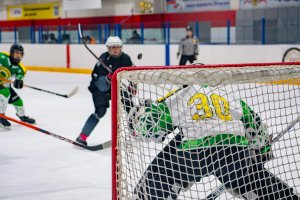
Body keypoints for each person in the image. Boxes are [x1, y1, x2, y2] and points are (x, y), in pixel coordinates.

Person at [129, 86, 299, 200]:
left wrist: (143, 115)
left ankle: (147, 195)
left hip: (196, 156)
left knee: (164, 168)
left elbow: (152, 128)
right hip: (235, 155)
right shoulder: (230, 96)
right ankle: (285, 196)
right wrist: (262, 151)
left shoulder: (183, 93)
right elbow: (255, 126)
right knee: (249, 175)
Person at [76, 36, 135, 145]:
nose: (115, 49)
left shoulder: (125, 58)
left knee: (129, 104)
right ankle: (82, 136)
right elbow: (97, 80)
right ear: (108, 48)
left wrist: (133, 85)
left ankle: (134, 130)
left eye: (117, 47)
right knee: (100, 111)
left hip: (115, 86)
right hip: (99, 89)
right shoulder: (103, 59)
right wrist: (107, 78)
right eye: (113, 47)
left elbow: (133, 73)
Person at [0, 44, 36, 128]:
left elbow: (19, 78)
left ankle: (22, 116)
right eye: (16, 53)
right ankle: (1, 116)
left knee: (18, 101)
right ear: (11, 53)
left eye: (20, 54)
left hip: (5, 84)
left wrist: (18, 82)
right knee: (5, 93)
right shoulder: (2, 57)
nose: (17, 56)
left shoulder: (21, 68)